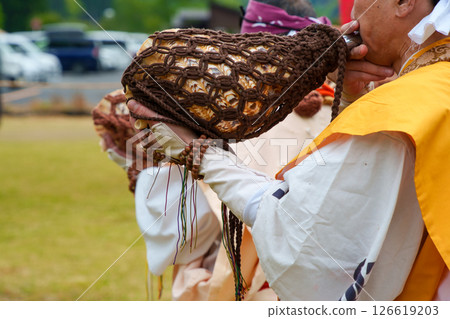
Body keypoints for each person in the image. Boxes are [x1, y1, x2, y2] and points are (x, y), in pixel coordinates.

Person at [127, 0, 450, 300]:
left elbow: (309, 248)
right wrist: (355, 102)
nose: (352, 12)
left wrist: (200, 154)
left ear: (404, 2)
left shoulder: (400, 109)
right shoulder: (422, 95)